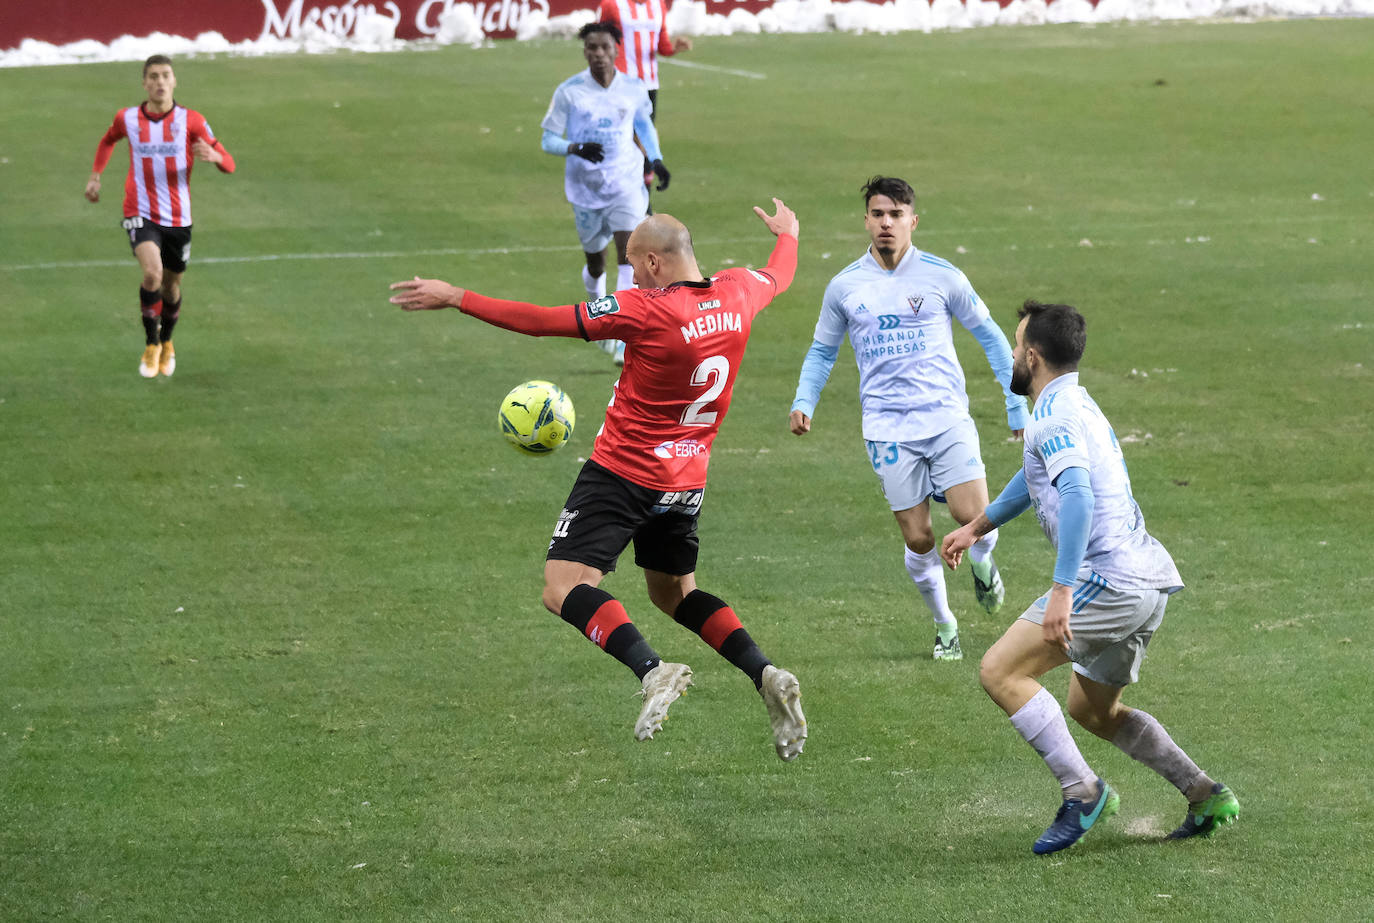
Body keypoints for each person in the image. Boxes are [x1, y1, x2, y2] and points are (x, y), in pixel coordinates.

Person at [389, 200, 807, 761]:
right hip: (686, 477)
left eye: (632, 264)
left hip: (622, 474)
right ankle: (764, 672)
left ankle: (653, 671)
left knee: (561, 587)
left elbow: (541, 321)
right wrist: (789, 234)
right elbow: (779, 273)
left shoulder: (647, 309)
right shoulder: (738, 290)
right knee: (673, 592)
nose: (629, 275)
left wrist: (456, 296)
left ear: (656, 263)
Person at [941, 299, 1239, 855]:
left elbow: (1074, 493)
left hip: (1110, 581)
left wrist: (1062, 590)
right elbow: (1038, 478)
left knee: (1000, 671)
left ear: (1032, 355)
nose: (1010, 354)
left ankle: (1083, 792)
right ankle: (1205, 793)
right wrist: (978, 526)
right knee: (1090, 709)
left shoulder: (1052, 416)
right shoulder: (1074, 402)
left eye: (1014, 345)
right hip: (1148, 582)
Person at [789, 176, 1026, 662]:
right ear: (867, 221)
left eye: (896, 215)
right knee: (919, 538)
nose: (886, 223)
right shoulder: (845, 287)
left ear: (912, 221)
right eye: (878, 214)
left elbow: (993, 337)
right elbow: (821, 351)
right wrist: (804, 401)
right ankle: (945, 626)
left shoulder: (943, 276)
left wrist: (1015, 401)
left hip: (945, 419)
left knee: (973, 517)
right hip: (886, 428)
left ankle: (982, 560)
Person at [84, 54, 236, 378]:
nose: (159, 82)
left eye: (165, 75)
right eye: (153, 76)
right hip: (139, 211)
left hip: (179, 218)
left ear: (174, 81)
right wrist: (96, 175)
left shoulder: (191, 120)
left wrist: (216, 157)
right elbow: (108, 140)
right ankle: (151, 343)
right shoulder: (127, 118)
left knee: (171, 287)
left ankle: (167, 342)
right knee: (152, 274)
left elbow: (230, 163)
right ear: (144, 83)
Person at [541, 21, 670, 367]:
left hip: (626, 184)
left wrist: (656, 160)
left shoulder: (633, 88)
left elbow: (644, 125)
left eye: (604, 48)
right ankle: (595, 300)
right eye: (591, 48)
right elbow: (547, 139)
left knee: (629, 255)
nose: (598, 54)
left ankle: (620, 337)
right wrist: (575, 147)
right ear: (585, 52)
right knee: (595, 263)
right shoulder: (569, 92)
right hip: (586, 190)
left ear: (617, 50)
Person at [597, 0, 692, 121]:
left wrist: (674, 48)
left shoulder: (658, 4)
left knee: (646, 135)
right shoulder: (611, 4)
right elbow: (597, 39)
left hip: (648, 83)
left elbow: (662, 45)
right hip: (620, 83)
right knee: (619, 134)